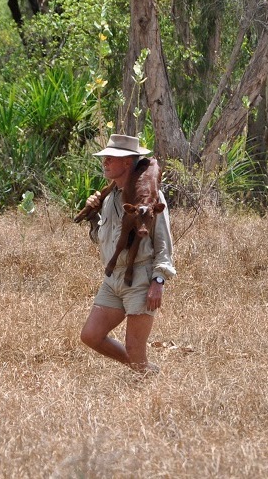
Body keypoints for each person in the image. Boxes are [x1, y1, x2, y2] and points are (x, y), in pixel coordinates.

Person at [79, 134, 177, 374]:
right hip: (113, 278)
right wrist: (92, 217)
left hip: (140, 278)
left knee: (135, 348)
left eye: (111, 158)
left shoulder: (150, 199)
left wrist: (159, 280)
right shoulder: (109, 198)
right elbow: (104, 240)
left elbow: (164, 242)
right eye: (105, 159)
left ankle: (146, 384)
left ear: (127, 162)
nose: (105, 163)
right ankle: (145, 370)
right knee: (91, 336)